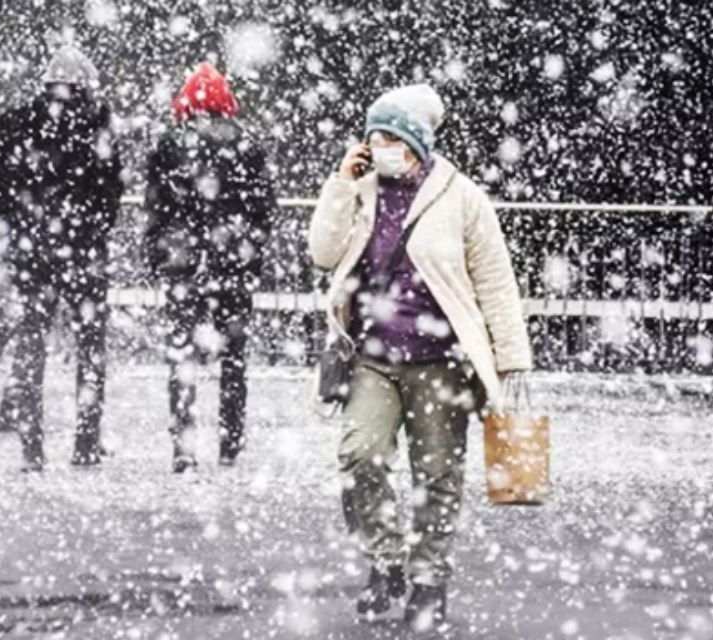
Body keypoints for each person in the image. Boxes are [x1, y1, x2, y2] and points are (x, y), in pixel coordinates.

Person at [307, 84, 533, 630]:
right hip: (374, 356)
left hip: (440, 361)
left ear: (415, 141)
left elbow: (495, 283)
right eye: (373, 138)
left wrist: (511, 359)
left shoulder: (461, 197)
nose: (380, 147)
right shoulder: (360, 190)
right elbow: (322, 252)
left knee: (436, 476)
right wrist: (341, 182)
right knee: (360, 456)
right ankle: (386, 561)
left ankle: (429, 580)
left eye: (390, 138)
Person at [0, 45, 124, 470]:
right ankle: (85, 440)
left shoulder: (16, 122)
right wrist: (91, 227)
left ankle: (31, 445)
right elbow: (110, 188)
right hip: (82, 251)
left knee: (31, 343)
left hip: (33, 251)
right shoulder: (96, 125)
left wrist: (25, 227)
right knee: (90, 346)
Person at [144, 62, 276, 472]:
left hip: (184, 265)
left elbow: (157, 208)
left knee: (182, 356)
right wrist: (250, 252)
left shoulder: (169, 144)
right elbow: (262, 210)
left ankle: (184, 445)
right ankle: (230, 442)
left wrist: (159, 254)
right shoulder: (248, 145)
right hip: (233, 264)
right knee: (233, 358)